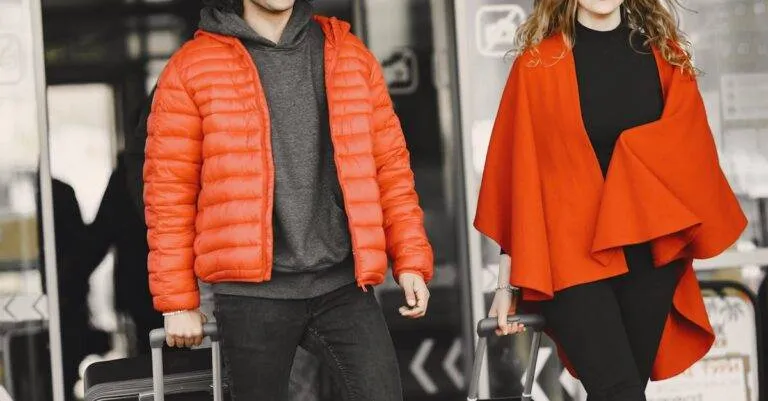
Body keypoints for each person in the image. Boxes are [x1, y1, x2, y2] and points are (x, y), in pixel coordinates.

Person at [143, 0, 434, 400]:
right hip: (252, 294)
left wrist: (411, 259)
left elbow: (390, 168)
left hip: (342, 283)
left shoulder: (348, 55)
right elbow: (169, 194)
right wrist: (177, 302)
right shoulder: (192, 67)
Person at [475, 1, 747, 400]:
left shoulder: (664, 55)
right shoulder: (538, 65)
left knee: (625, 390)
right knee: (619, 392)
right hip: (570, 261)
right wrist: (507, 283)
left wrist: (636, 158)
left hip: (648, 260)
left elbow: (691, 156)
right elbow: (517, 179)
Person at [86, 152, 162, 355]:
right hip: (154, 283)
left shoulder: (128, 172)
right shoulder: (136, 169)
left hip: (141, 284)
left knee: (152, 358)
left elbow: (101, 234)